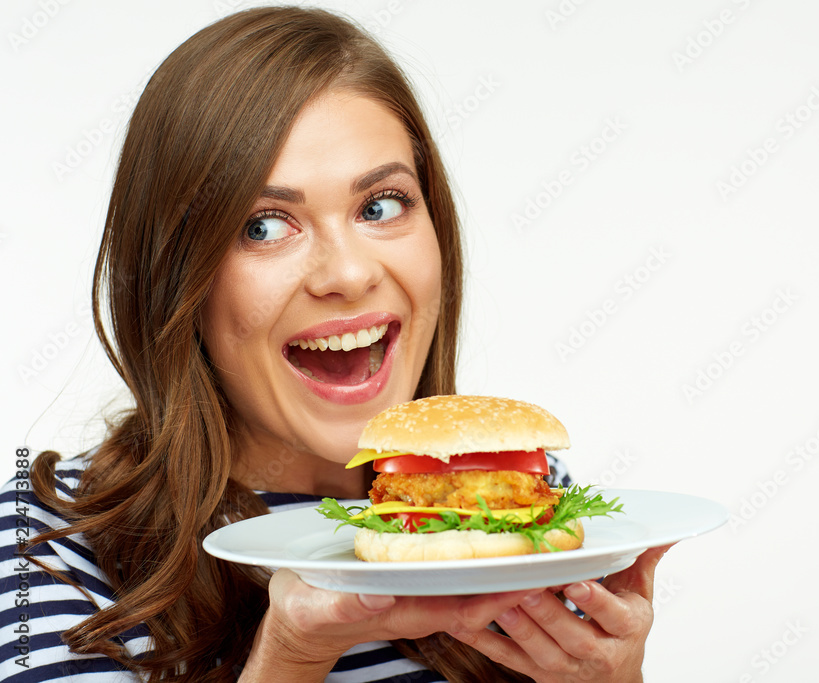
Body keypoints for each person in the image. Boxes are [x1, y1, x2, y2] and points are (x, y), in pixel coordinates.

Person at [0, 7, 669, 682]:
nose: (349, 274)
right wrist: (292, 656)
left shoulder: (515, 498)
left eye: (380, 205)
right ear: (178, 278)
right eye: (264, 225)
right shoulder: (45, 542)